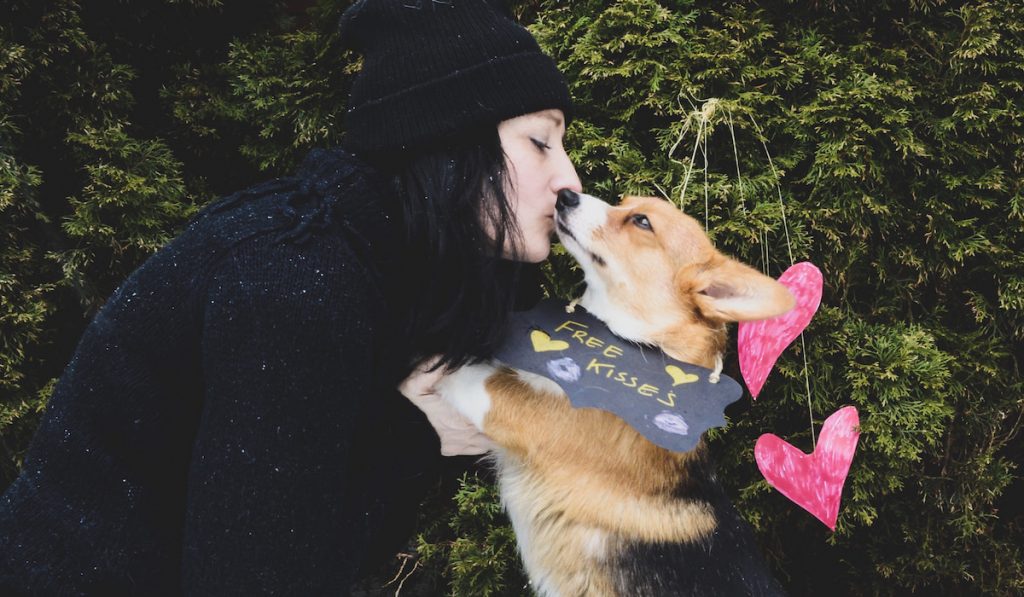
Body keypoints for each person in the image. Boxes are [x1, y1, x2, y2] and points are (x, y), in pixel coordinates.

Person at [0, 0, 582, 594]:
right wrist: (409, 436)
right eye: (540, 142)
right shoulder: (293, 281)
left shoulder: (402, 266)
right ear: (449, 144)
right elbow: (254, 578)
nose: (570, 179)